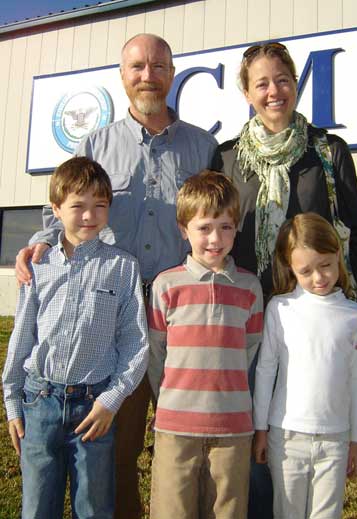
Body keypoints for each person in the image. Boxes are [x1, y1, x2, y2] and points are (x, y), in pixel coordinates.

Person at [15, 33, 217, 519]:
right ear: (122, 76)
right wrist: (41, 242)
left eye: (158, 66)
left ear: (172, 73)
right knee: (117, 448)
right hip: (113, 314)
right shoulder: (95, 143)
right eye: (137, 67)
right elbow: (66, 209)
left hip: (183, 314)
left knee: (189, 439)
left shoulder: (204, 146)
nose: (148, 75)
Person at [211, 41, 357, 517]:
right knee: (260, 430)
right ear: (246, 91)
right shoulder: (225, 159)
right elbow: (209, 226)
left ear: (296, 84)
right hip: (248, 317)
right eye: (261, 82)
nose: (274, 91)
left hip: (314, 318)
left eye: (282, 79)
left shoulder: (329, 152)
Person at [2, 157, 149, 519]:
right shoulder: (39, 267)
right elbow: (22, 336)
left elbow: (135, 342)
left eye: (99, 206)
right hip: (41, 403)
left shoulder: (123, 267)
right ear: (55, 209)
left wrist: (111, 400)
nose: (89, 216)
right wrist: (12, 402)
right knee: (37, 506)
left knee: (94, 507)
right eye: (77, 206)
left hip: (93, 407)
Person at [147, 170, 264, 519]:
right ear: (184, 230)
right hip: (175, 427)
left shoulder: (249, 287)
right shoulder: (166, 286)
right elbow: (157, 355)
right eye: (204, 227)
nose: (216, 238)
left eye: (226, 227)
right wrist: (166, 400)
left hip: (233, 429)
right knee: (172, 511)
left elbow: (250, 350)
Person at [253, 212, 357, 519]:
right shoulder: (280, 309)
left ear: (337, 255)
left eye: (326, 266)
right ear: (289, 268)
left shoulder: (355, 316)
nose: (318, 278)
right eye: (305, 271)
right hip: (287, 437)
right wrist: (261, 429)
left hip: (336, 439)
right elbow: (266, 371)